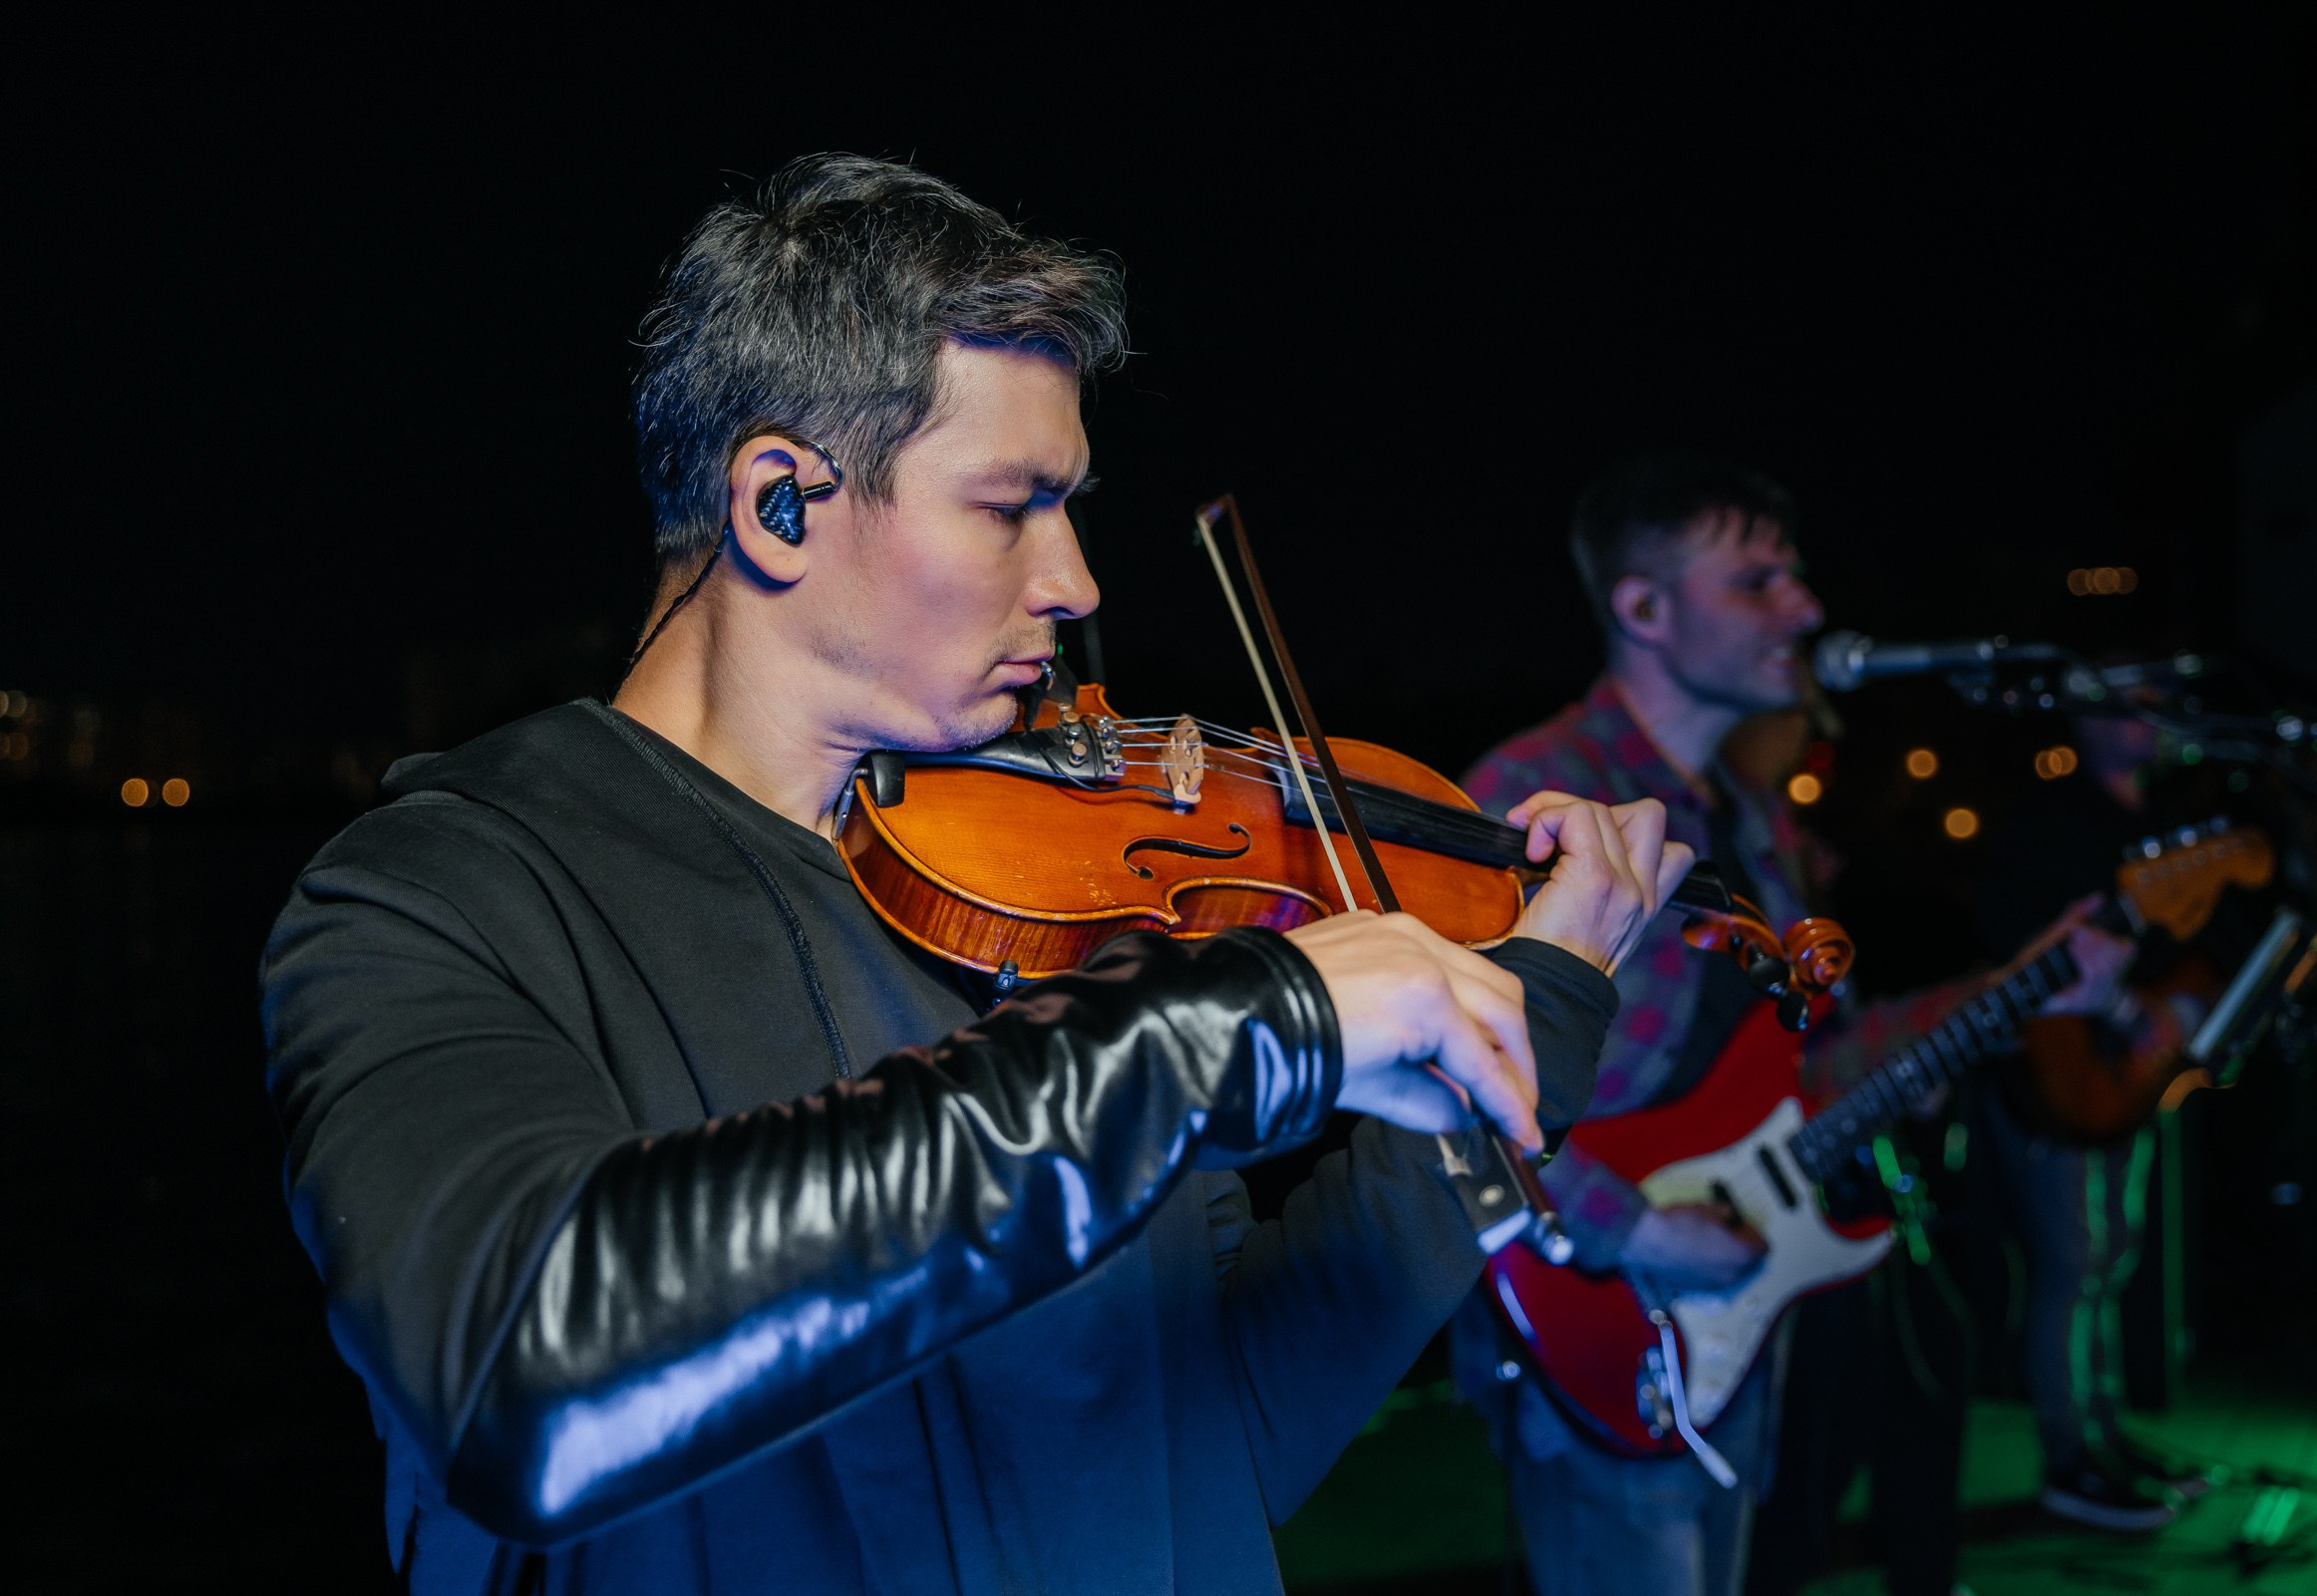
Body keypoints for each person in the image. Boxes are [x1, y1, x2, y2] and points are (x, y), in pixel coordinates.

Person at [259, 155, 1695, 1595]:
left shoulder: (1057, 911)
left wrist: (1539, 1004)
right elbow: (521, 1372)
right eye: (1011, 504)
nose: (1075, 581)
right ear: (780, 506)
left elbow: (1228, 1437)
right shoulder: (435, 892)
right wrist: (1228, 1030)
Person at [1449, 455, 2132, 1596]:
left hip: (1734, 1320)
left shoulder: (1745, 817)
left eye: (1795, 577)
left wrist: (2022, 981)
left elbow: (1819, 1061)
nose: (1805, 609)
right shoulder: (1533, 792)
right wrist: (1640, 1231)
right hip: (1602, 1310)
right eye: (1757, 580)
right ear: (1644, 608)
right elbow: (1447, 1092)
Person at [1972, 704, 2214, 1531]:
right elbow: (2005, 941)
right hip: (2052, 1076)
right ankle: (2069, 1457)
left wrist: (2154, 1002)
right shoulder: (2044, 818)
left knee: (2112, 1254)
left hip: (2122, 1073)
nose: (2149, 716)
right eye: (2125, 702)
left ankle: (2105, 1438)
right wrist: (2108, 994)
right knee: (2074, 1265)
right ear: (2085, 719)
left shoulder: (2163, 819)